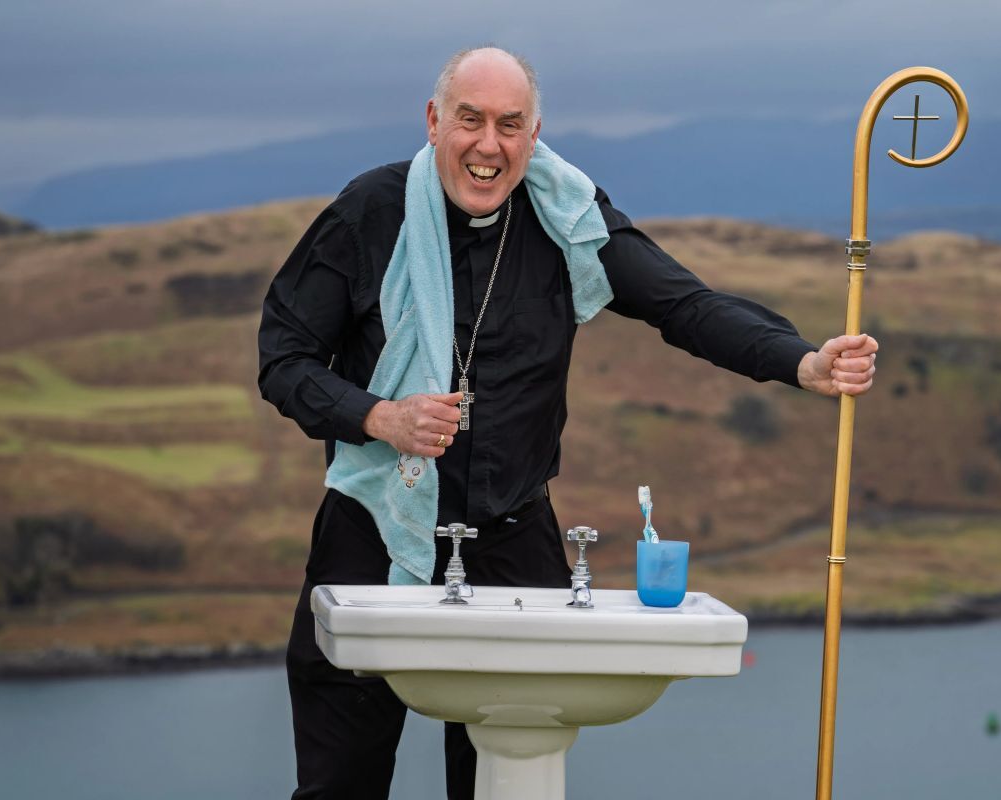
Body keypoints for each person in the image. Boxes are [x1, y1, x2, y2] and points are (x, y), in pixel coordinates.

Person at [258, 45, 878, 800]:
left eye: (511, 125)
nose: (489, 146)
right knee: (337, 791)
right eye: (471, 120)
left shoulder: (569, 218)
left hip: (515, 542)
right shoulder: (370, 211)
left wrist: (801, 362)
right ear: (433, 122)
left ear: (535, 132)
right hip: (370, 528)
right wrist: (378, 415)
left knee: (506, 785)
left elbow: (682, 305)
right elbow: (283, 359)